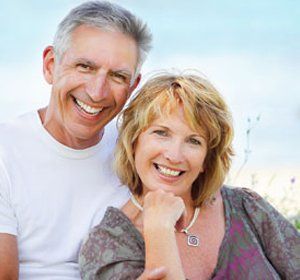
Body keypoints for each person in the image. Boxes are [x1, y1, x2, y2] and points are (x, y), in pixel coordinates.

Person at [79, 72, 300, 279]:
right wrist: (159, 228)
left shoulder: (247, 208)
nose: (174, 156)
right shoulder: (108, 245)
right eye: (161, 133)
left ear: (207, 159)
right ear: (134, 141)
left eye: (194, 141)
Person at [0, 1, 161, 279]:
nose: (97, 92)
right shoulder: (6, 149)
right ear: (51, 65)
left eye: (118, 76)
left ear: (133, 86)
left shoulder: (141, 156)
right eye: (85, 66)